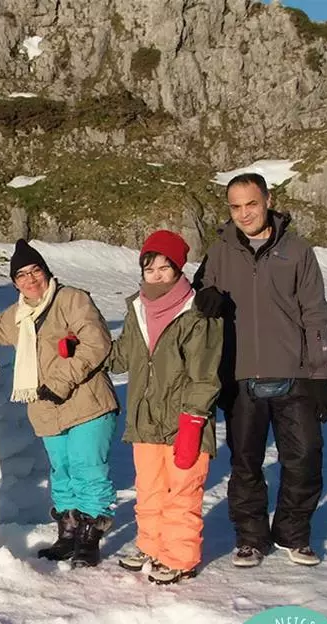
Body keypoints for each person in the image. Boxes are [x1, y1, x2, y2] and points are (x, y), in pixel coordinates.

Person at [0, 239, 120, 567]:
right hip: (47, 408)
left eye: (35, 271)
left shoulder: (72, 300)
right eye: (22, 275)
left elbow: (97, 343)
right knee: (63, 472)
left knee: (88, 469)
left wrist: (59, 382)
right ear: (15, 282)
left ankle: (89, 539)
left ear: (46, 271)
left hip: (87, 403)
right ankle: (68, 535)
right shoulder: (19, 315)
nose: (30, 279)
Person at [194, 173, 327, 568]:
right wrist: (205, 295)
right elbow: (201, 294)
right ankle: (251, 537)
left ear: (268, 200)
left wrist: (322, 374)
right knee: (245, 462)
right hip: (241, 376)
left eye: (251, 204)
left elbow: (315, 313)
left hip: (294, 373)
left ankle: (293, 533)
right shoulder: (220, 250)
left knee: (305, 457)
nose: (244, 214)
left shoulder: (297, 250)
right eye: (235, 207)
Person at [107, 231, 223, 584]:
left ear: (178, 269)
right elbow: (120, 358)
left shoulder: (198, 312)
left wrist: (193, 422)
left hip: (185, 421)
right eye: (149, 268)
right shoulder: (137, 309)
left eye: (164, 268)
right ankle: (151, 545)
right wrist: (79, 347)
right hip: (145, 419)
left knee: (183, 492)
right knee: (150, 488)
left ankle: (180, 557)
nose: (156, 275)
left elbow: (206, 375)